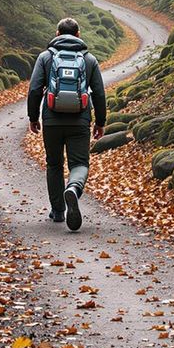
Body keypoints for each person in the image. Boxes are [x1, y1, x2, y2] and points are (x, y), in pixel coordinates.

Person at [26, 17, 106, 231]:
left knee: (54, 164)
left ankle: (59, 211)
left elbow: (34, 89)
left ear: (57, 33)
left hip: (51, 120)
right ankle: (73, 187)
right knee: (79, 164)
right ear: (78, 34)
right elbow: (98, 92)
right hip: (80, 121)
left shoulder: (45, 57)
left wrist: (33, 117)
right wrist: (100, 122)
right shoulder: (89, 59)